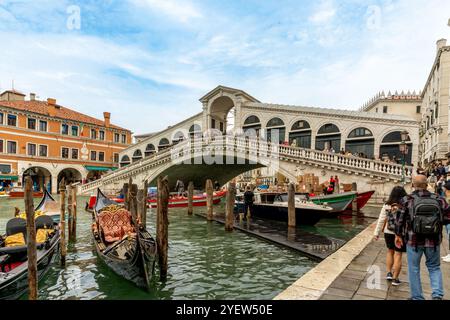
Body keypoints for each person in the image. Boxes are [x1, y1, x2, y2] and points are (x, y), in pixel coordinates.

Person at [395, 174, 450, 300]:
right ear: (427, 185)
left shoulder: (407, 199)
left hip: (413, 241)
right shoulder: (439, 199)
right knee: (434, 267)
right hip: (434, 240)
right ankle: (437, 295)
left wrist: (398, 235)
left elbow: (399, 221)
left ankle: (417, 297)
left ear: (413, 185)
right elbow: (448, 217)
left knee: (414, 269)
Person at [374, 186, 407, 286]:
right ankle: (395, 278)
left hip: (388, 231)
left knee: (390, 251)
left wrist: (376, 233)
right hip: (400, 233)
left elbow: (381, 220)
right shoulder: (405, 205)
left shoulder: (387, 205)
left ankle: (389, 273)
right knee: (398, 254)